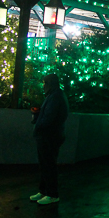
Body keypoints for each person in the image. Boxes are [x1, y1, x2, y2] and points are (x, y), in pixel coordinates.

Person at [29, 74, 69, 205]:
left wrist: (38, 123)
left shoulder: (55, 97)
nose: (43, 85)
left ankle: (51, 193)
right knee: (45, 164)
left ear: (51, 83)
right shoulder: (55, 95)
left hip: (49, 136)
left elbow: (49, 118)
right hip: (49, 135)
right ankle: (44, 191)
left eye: (45, 83)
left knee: (48, 164)